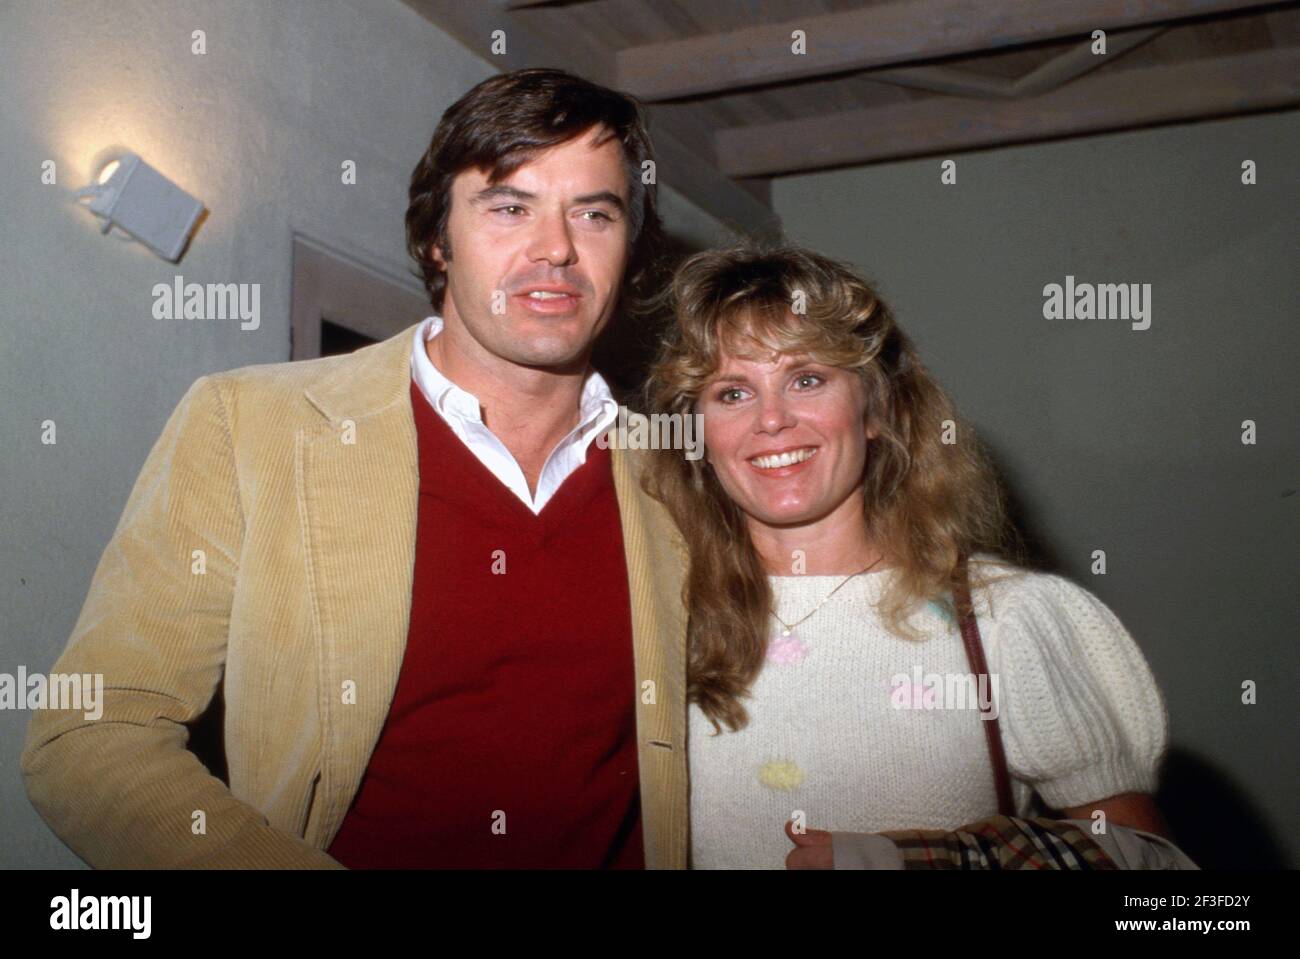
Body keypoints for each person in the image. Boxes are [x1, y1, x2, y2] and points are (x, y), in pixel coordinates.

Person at [21, 68, 691, 869]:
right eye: (510, 207)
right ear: (437, 239)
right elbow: (93, 731)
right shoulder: (249, 426)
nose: (556, 248)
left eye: (594, 213)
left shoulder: (686, 477)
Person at [643, 244, 1197, 870]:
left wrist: (924, 862)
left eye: (807, 379)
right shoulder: (657, 622)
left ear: (875, 408)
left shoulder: (1005, 619)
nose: (772, 420)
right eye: (733, 393)